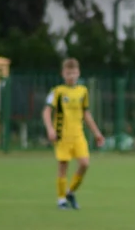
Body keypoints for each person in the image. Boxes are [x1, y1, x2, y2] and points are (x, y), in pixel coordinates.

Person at [41, 58, 105, 209]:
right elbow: (46, 111)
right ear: (63, 74)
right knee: (63, 166)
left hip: (78, 135)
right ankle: (61, 199)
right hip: (62, 136)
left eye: (74, 73)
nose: (71, 76)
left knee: (85, 163)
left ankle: (71, 191)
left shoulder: (83, 91)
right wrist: (50, 129)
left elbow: (86, 114)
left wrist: (97, 133)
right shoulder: (57, 92)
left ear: (79, 73)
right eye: (68, 73)